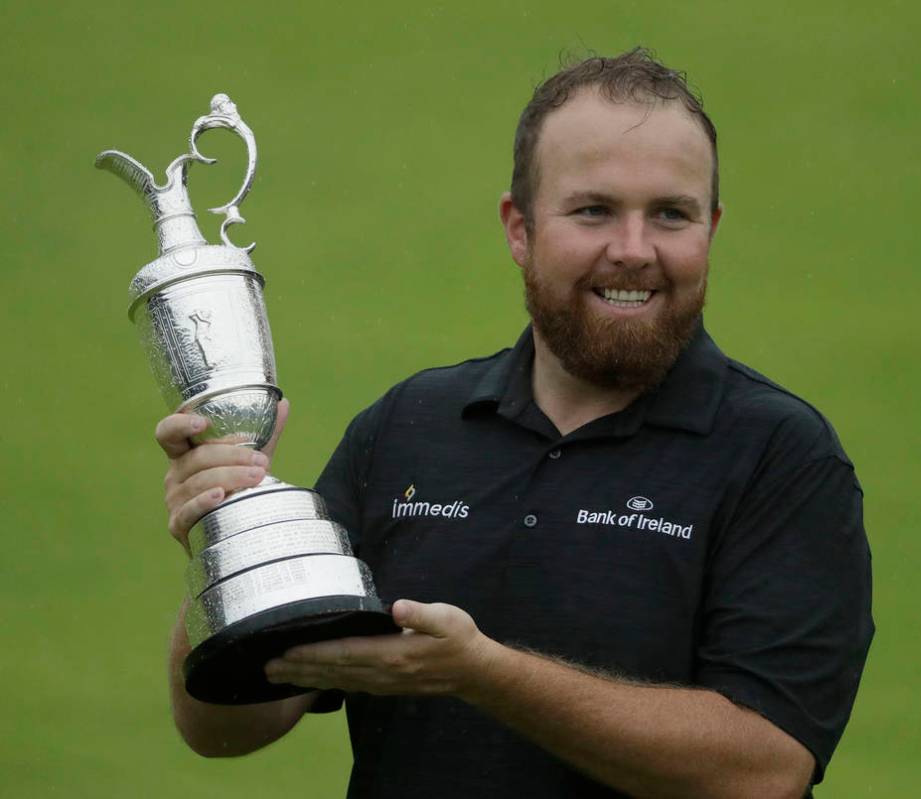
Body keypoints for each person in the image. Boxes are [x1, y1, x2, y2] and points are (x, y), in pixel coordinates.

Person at [155, 49, 873, 798]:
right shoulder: (410, 427)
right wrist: (221, 535)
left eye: (670, 213)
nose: (632, 251)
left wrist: (483, 674)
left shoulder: (779, 455)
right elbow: (226, 726)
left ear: (710, 227)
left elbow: (761, 771)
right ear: (519, 228)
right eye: (592, 210)